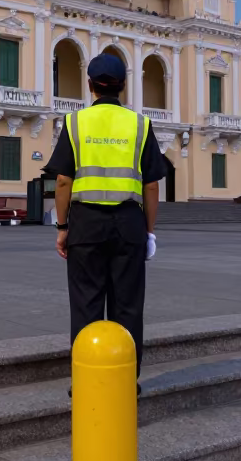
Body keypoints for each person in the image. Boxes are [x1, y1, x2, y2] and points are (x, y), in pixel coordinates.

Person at [46, 53, 166, 378]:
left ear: (90, 86)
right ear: (123, 86)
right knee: (127, 307)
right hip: (129, 225)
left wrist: (62, 227)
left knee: (86, 306)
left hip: (85, 224)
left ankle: (86, 381)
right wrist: (149, 232)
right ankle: (127, 382)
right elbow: (152, 186)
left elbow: (62, 181)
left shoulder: (75, 122)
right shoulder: (140, 124)